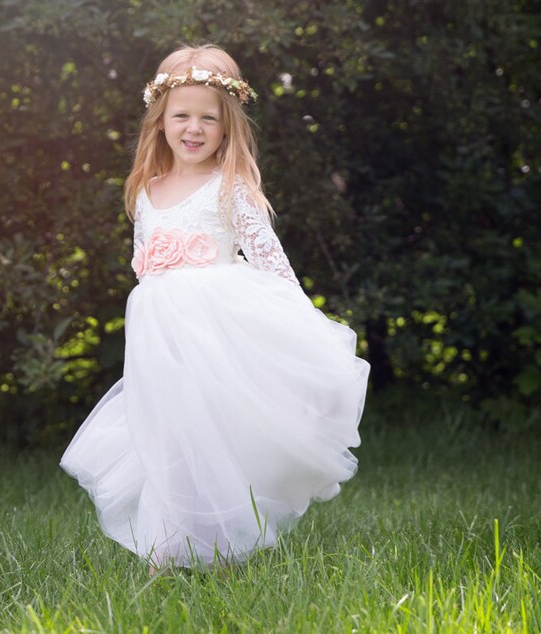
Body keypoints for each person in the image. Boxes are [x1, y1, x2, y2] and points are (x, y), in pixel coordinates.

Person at [60, 44, 369, 574]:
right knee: (166, 443)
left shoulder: (232, 188)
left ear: (228, 128)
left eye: (209, 118)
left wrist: (305, 334)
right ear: (160, 122)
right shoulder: (147, 190)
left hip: (215, 338)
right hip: (161, 341)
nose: (194, 128)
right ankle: (165, 555)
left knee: (212, 444)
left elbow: (275, 268)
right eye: (181, 116)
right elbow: (149, 271)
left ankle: (224, 551)